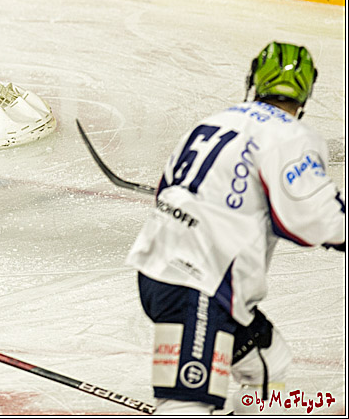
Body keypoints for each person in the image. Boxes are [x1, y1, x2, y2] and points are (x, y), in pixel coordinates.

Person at [126, 42, 345, 415]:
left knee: (267, 361)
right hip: (200, 285)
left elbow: (166, 189)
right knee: (185, 405)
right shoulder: (292, 136)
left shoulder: (212, 121)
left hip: (158, 271)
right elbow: (313, 218)